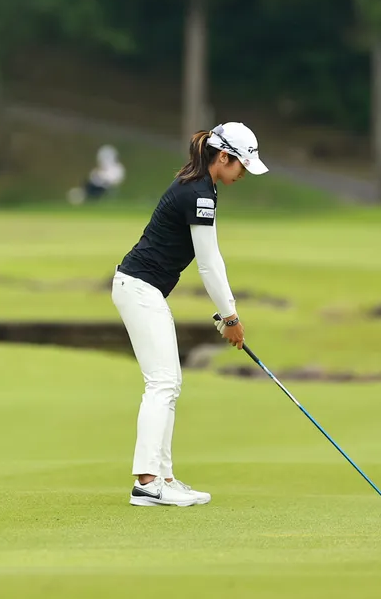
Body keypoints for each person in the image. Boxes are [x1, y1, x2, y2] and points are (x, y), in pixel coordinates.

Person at [111, 122, 268, 507]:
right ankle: (148, 483)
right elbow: (209, 264)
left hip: (141, 289)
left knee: (168, 382)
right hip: (138, 288)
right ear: (224, 157)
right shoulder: (199, 193)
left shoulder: (202, 187)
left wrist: (227, 314)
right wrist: (230, 318)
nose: (243, 174)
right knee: (163, 382)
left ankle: (163, 478)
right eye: (241, 165)